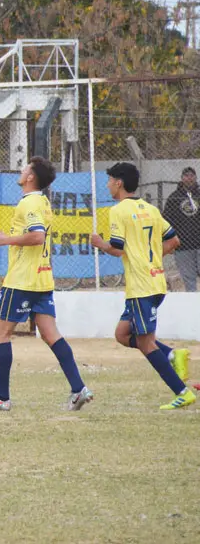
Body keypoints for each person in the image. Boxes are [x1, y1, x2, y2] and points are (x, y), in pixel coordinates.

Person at [0, 158, 93, 412]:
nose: (21, 170)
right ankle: (79, 388)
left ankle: (1, 397)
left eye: (25, 167)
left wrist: (5, 240)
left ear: (30, 177)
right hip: (42, 278)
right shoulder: (43, 201)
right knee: (51, 335)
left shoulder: (29, 203)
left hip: (22, 280)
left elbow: (37, 236)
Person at [91, 162, 195, 410]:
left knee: (147, 343)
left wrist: (100, 243)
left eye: (109, 180)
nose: (107, 185)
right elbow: (174, 240)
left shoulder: (118, 211)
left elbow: (117, 248)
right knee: (122, 334)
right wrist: (151, 258)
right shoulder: (150, 208)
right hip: (155, 281)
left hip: (141, 286)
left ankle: (182, 391)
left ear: (119, 182)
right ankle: (171, 354)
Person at [162, 166, 200, 292]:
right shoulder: (174, 197)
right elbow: (166, 220)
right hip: (182, 246)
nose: (189, 178)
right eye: (186, 175)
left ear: (195, 177)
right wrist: (170, 241)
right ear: (182, 178)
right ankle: (193, 303)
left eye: (191, 175)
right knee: (189, 279)